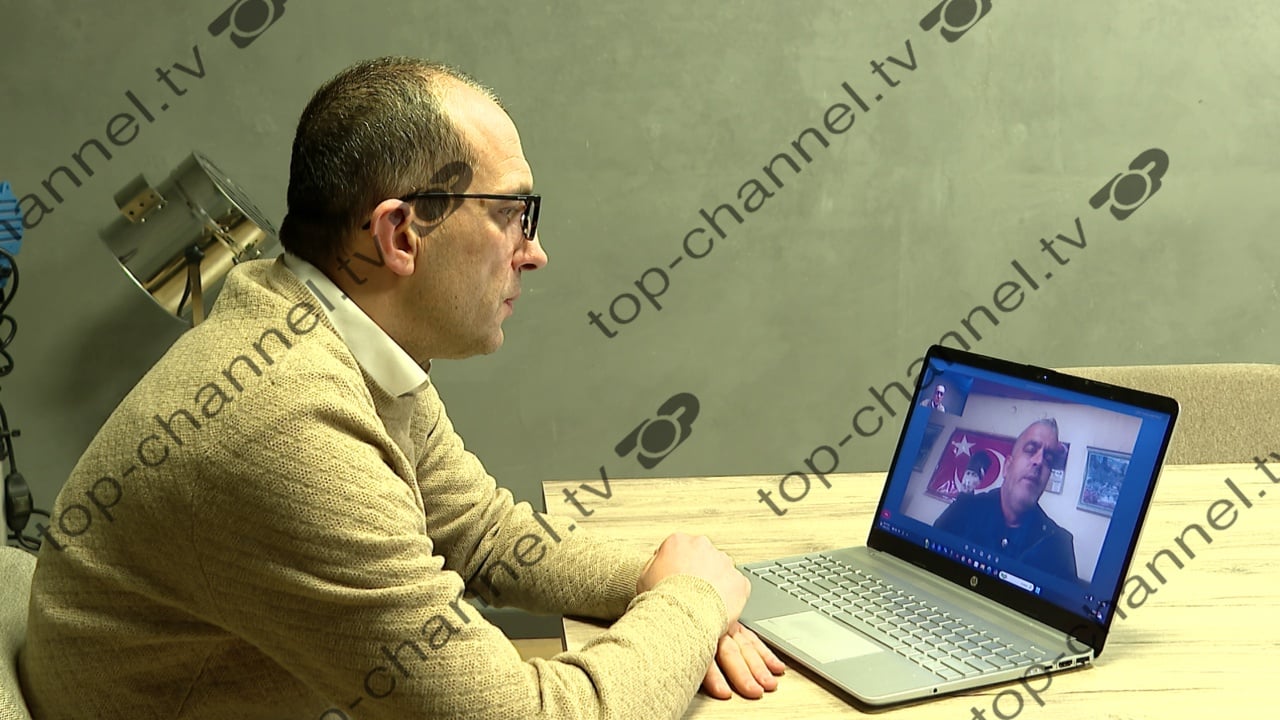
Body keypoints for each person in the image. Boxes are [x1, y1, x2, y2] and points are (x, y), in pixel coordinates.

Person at [19, 57, 784, 719]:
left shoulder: (326, 334)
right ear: (400, 234)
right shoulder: (288, 426)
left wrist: (667, 583)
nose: (535, 252)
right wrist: (689, 605)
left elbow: (483, 535)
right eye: (515, 214)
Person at [933, 418, 1078, 581]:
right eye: (1031, 450)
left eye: (1048, 459)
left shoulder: (1059, 545)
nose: (1039, 462)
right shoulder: (963, 509)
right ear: (1007, 466)